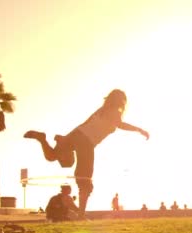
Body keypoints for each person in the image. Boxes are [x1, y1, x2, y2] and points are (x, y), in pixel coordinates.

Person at [24, 89, 149, 219]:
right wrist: (139, 130)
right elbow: (121, 125)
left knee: (54, 157)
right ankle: (81, 215)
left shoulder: (101, 110)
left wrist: (66, 139)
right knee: (85, 182)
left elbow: (84, 124)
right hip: (86, 142)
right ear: (121, 102)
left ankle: (42, 139)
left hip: (77, 135)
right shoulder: (115, 113)